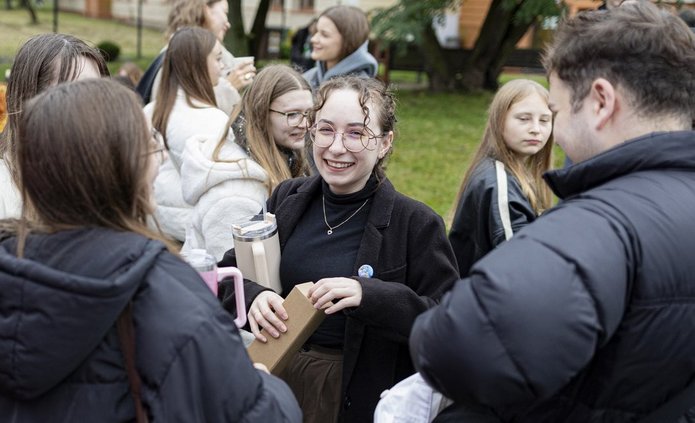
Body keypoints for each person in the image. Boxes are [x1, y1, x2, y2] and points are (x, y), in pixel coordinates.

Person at [410, 3, 695, 422]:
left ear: (600, 101)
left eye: (556, 113)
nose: (552, 132)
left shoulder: (599, 224)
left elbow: (456, 348)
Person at [0, 78, 301, 422]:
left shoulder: (11, 262)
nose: (158, 158)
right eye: (150, 143)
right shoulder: (162, 288)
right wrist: (264, 386)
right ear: (124, 168)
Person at [219, 76, 459, 423]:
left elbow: (448, 323)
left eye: (356, 133)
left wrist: (370, 296)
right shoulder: (288, 199)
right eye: (326, 130)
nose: (336, 148)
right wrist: (254, 296)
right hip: (276, 377)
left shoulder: (416, 224)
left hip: (353, 393)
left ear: (385, 142)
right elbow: (227, 275)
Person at [180, 64, 312, 260]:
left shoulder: (287, 157)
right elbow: (232, 275)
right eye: (292, 114)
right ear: (261, 113)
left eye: (309, 113)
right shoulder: (237, 194)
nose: (304, 123)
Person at [448, 79, 553, 277]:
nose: (536, 129)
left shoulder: (512, 173)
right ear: (499, 121)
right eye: (524, 119)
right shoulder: (498, 184)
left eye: (545, 120)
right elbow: (520, 266)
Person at [0, 33, 108, 220]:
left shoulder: (102, 180)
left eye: (98, 93)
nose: (91, 107)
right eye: (71, 93)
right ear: (25, 98)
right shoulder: (4, 192)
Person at [145, 27, 229, 242]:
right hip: (191, 230)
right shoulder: (213, 119)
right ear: (198, 63)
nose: (223, 66)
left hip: (153, 224)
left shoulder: (148, 111)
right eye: (218, 59)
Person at [136, 0, 255, 113]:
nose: (228, 24)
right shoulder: (178, 58)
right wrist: (228, 89)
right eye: (225, 12)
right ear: (205, 9)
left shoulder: (185, 53)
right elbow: (173, 117)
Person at [302, 5, 378, 89]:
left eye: (325, 35)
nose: (313, 39)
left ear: (349, 41)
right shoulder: (306, 79)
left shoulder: (360, 92)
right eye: (316, 31)